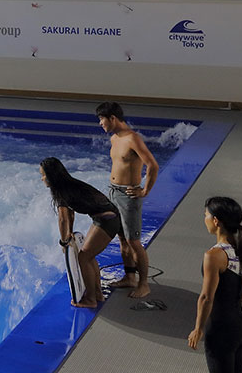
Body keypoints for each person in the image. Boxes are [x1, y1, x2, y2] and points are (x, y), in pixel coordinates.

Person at [39, 157, 121, 308]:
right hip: (106, 217)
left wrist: (64, 242)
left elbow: (63, 219)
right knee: (88, 256)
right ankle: (97, 294)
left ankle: (90, 300)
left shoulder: (61, 190)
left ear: (51, 176)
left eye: (43, 175)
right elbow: (70, 214)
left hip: (108, 220)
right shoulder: (68, 185)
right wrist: (68, 234)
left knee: (84, 257)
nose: (42, 179)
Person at [97, 101, 159, 298]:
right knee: (122, 239)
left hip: (129, 195)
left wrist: (145, 190)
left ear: (112, 118)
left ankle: (143, 284)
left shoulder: (133, 139)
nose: (100, 123)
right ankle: (129, 277)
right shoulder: (115, 139)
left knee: (134, 242)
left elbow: (153, 165)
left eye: (101, 119)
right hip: (113, 192)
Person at [188, 196, 242, 372]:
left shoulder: (214, 255)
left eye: (206, 215)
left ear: (216, 221)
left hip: (221, 328)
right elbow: (241, 294)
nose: (205, 219)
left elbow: (206, 297)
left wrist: (198, 329)